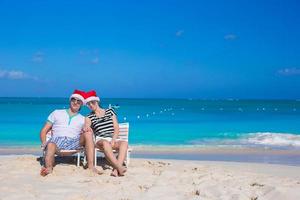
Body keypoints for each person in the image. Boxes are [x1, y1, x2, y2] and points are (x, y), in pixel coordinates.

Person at [39, 90, 101, 176]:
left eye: (78, 101)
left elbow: (92, 129)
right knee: (50, 145)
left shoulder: (83, 119)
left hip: (73, 142)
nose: (75, 102)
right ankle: (48, 168)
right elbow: (44, 130)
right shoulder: (56, 113)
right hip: (56, 141)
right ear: (70, 101)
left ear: (81, 105)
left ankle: (91, 166)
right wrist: (43, 143)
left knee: (88, 133)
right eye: (73, 100)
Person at [84, 90, 127, 176]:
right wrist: (87, 127)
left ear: (97, 101)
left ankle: (115, 169)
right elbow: (87, 125)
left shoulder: (110, 111)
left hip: (113, 139)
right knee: (105, 142)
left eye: (92, 102)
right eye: (88, 104)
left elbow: (116, 127)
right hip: (100, 140)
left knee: (124, 143)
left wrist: (114, 140)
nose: (91, 105)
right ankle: (119, 167)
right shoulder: (89, 117)